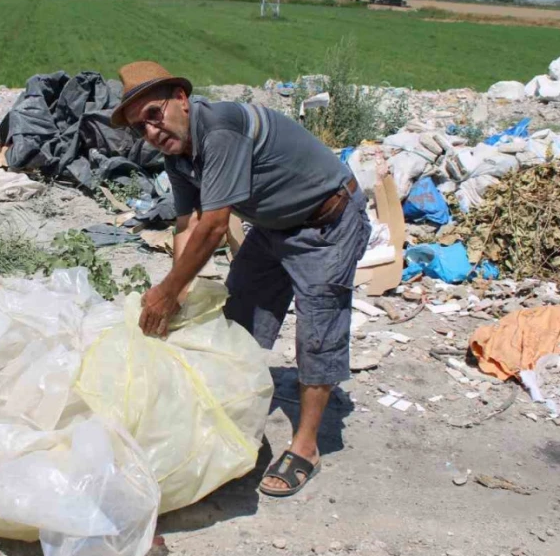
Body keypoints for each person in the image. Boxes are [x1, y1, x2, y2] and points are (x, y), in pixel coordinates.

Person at [110, 61, 371, 497]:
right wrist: (179, 292)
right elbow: (185, 226)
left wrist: (168, 292)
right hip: (273, 228)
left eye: (154, 114)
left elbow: (214, 227)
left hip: (326, 223)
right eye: (140, 128)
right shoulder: (179, 156)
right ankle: (232, 407)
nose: (152, 132)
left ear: (180, 98)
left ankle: (307, 447)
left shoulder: (221, 128)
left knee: (317, 332)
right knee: (238, 316)